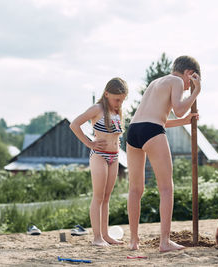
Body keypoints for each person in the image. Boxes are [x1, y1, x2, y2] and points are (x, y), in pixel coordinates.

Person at [127, 55, 201, 252]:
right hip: (151, 131)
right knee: (166, 188)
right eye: (190, 82)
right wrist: (196, 93)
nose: (188, 87)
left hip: (134, 130)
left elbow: (158, 119)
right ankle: (165, 242)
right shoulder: (176, 80)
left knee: (135, 189)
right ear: (188, 73)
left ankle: (134, 240)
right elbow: (178, 110)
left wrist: (184, 122)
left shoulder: (155, 82)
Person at [70, 77, 128, 246]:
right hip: (99, 156)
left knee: (107, 198)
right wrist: (89, 143)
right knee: (98, 196)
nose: (119, 103)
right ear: (107, 93)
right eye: (117, 99)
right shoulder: (97, 109)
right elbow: (74, 124)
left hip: (115, 157)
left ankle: (106, 235)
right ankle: (97, 238)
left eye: (122, 100)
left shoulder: (117, 112)